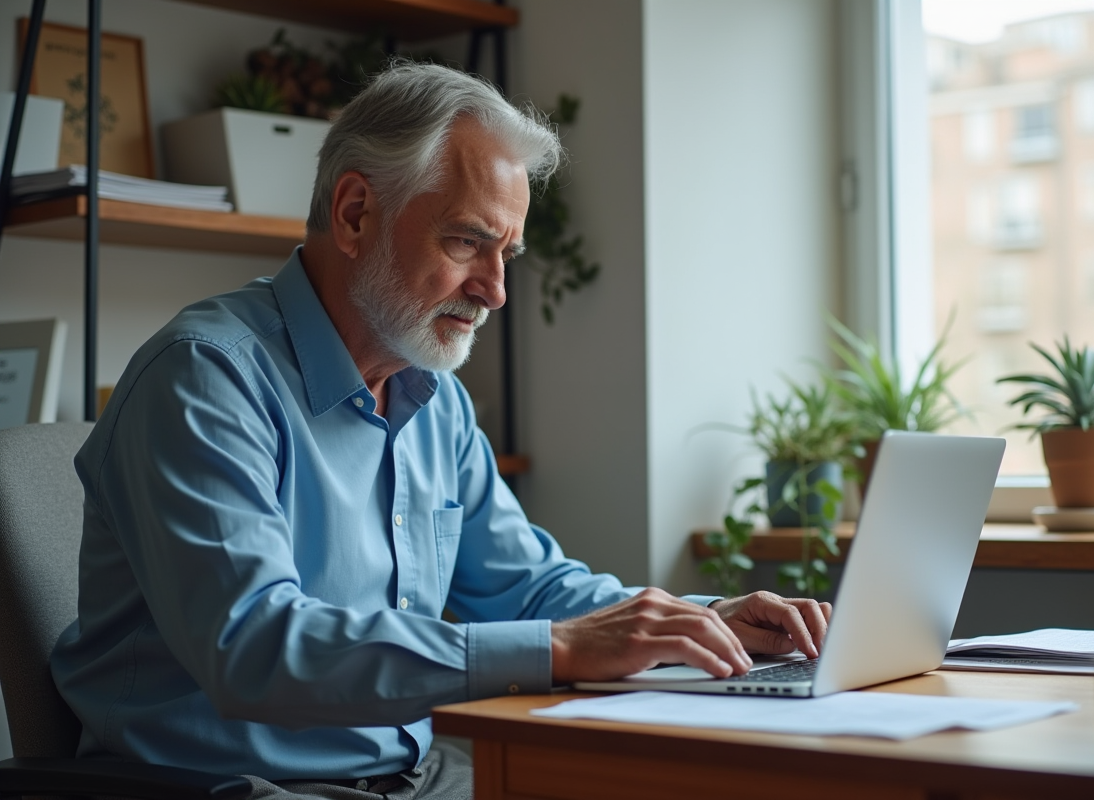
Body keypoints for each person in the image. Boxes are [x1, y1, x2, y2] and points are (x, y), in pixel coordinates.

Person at [50, 62, 832, 799]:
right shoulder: (203, 378)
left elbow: (529, 588)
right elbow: (254, 648)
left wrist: (698, 624)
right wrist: (561, 648)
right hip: (234, 787)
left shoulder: (434, 400)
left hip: (418, 777)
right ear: (355, 214)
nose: (495, 290)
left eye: (507, 253)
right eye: (467, 242)